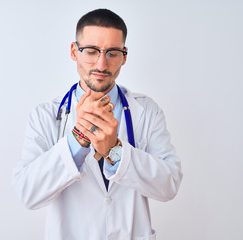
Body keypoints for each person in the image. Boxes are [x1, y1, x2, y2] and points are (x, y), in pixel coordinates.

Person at [12, 8, 182, 240]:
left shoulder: (147, 111)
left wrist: (115, 151)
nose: (102, 64)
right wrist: (77, 140)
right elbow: (29, 193)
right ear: (74, 51)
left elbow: (168, 185)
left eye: (112, 53)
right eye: (91, 51)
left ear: (124, 55)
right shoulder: (46, 115)